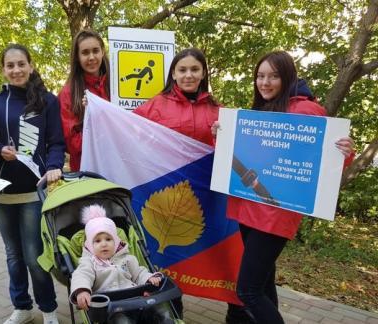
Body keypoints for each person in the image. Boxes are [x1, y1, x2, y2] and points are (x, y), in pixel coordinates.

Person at [215, 51, 354, 323]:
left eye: (273, 76)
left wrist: (346, 151)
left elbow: (331, 156)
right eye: (260, 76)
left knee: (248, 290)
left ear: (288, 77)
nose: (264, 82)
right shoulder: (261, 110)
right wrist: (221, 135)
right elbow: (243, 159)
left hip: (275, 214)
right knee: (264, 282)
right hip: (249, 207)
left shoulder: (305, 109)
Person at [134, 48, 251, 323]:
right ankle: (172, 312)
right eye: (182, 70)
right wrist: (97, 112)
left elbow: (236, 153)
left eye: (194, 69)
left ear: (203, 73)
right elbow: (128, 131)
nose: (188, 75)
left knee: (222, 254)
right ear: (173, 73)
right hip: (164, 196)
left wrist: (221, 137)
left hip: (209, 199)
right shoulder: (156, 105)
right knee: (168, 257)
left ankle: (236, 313)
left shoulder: (219, 110)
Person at [0, 43, 65, 324]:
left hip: (34, 192)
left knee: (34, 256)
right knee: (13, 256)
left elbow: (56, 142)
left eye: (21, 64)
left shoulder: (48, 101)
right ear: (3, 70)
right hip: (0, 194)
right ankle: (22, 306)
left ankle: (49, 309)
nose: (16, 70)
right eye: (10, 65)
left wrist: (54, 167)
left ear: (30, 65)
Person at [70, 204, 172, 324]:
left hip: (137, 300)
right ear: (90, 246)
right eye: (97, 241)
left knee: (159, 311)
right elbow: (82, 275)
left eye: (108, 239)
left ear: (116, 241)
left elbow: (139, 273)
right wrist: (82, 290)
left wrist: (148, 278)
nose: (104, 244)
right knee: (121, 321)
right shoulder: (89, 263)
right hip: (112, 308)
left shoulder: (127, 258)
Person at [58, 29, 110, 172]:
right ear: (77, 57)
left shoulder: (118, 85)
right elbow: (71, 143)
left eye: (95, 50)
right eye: (85, 52)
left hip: (120, 168)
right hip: (86, 172)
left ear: (103, 51)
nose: (91, 57)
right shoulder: (68, 93)